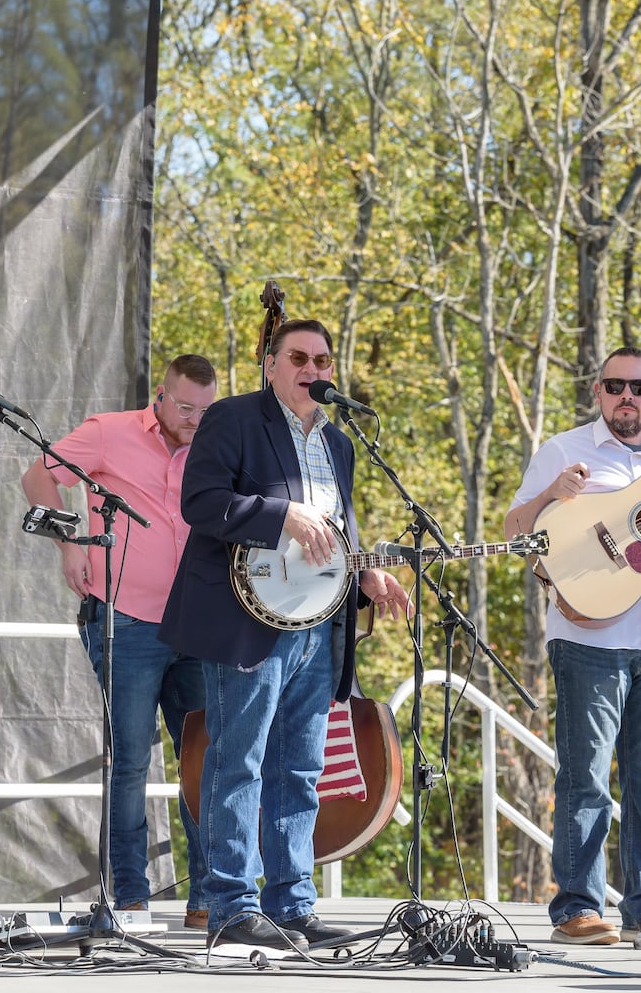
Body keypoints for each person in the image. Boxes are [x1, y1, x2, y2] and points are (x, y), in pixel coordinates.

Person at [158, 320, 411, 955]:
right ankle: (229, 905)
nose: (312, 369)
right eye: (298, 357)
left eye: (323, 360)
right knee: (237, 759)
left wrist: (365, 577)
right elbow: (201, 502)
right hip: (247, 622)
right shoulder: (235, 420)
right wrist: (282, 515)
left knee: (301, 766)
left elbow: (332, 546)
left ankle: (293, 905)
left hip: (317, 626)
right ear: (271, 364)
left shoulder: (341, 446)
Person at [505, 346, 641, 946]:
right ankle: (576, 907)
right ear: (598, 393)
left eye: (640, 387)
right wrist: (551, 493)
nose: (629, 397)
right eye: (616, 386)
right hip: (588, 638)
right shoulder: (564, 451)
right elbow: (515, 532)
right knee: (586, 776)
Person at [20, 354, 218, 927]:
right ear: (161, 394)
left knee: (203, 760)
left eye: (205, 410)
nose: (194, 420)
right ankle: (130, 894)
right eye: (185, 407)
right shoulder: (108, 432)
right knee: (130, 760)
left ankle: (207, 896)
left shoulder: (213, 443)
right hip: (126, 621)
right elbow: (37, 478)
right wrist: (70, 543)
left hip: (199, 623)